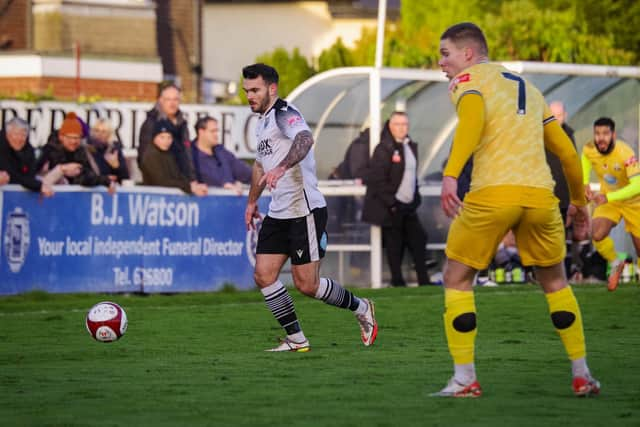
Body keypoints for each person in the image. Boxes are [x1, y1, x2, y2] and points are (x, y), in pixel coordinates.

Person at [435, 22, 598, 398]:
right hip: (541, 198)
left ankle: (464, 380)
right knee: (556, 283)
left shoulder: (467, 80)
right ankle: (582, 374)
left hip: (493, 193)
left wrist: (450, 174)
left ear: (468, 54)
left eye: (445, 54)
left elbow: (473, 118)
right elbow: (567, 154)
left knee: (457, 278)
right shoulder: (531, 89)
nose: (441, 62)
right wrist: (578, 202)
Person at [242, 63, 377, 352]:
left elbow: (305, 139)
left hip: (304, 210)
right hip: (279, 212)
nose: (249, 95)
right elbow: (258, 165)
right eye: (246, 91)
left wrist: (282, 166)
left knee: (307, 285)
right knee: (263, 275)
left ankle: (362, 307)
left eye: (255, 90)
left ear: (272, 88)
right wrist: (252, 201)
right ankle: (297, 339)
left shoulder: (285, 113)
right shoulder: (262, 122)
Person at [362, 112, 430, 287]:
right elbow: (377, 179)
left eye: (405, 124)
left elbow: (411, 177)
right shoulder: (384, 148)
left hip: (409, 205)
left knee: (419, 239)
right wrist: (392, 203)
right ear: (391, 126)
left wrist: (416, 198)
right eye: (398, 124)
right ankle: (397, 281)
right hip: (392, 206)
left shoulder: (410, 146)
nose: (402, 128)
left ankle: (424, 280)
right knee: (395, 244)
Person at [580, 117, 640, 291]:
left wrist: (609, 198)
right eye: (597, 133)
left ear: (613, 135)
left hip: (634, 202)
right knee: (596, 233)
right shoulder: (590, 148)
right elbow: (585, 158)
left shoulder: (625, 153)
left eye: (605, 133)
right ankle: (615, 263)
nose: (601, 138)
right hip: (609, 201)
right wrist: (584, 183)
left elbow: (637, 185)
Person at [36, 112, 116, 193]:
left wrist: (105, 181)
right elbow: (33, 175)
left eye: (77, 138)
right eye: (70, 138)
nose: (74, 141)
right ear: (61, 137)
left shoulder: (80, 151)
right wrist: (62, 170)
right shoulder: (49, 150)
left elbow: (85, 176)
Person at [138, 82, 196, 183]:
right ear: (160, 100)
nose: (172, 103)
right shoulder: (151, 123)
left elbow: (187, 153)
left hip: (182, 183)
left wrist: (191, 179)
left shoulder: (182, 124)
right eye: (168, 99)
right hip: (159, 185)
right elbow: (144, 157)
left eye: (175, 99)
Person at [140, 120, 208, 196]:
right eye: (162, 137)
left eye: (169, 137)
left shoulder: (169, 154)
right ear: (154, 138)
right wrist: (188, 187)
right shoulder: (151, 155)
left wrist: (191, 183)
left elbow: (177, 175)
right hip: (154, 200)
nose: (166, 141)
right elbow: (161, 181)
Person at [191, 116, 251, 193]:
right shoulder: (190, 155)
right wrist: (223, 187)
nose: (216, 135)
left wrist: (264, 176)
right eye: (213, 131)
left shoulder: (222, 152)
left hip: (230, 202)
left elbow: (246, 173)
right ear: (201, 132)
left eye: (217, 131)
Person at [0, 117, 53, 196]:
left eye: (23, 135)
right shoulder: (2, 146)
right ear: (7, 134)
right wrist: (38, 186)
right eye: (16, 134)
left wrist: (39, 185)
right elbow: (11, 174)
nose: (19, 139)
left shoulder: (28, 150)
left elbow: (30, 174)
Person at [87, 118, 130, 183]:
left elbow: (125, 177)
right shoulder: (86, 149)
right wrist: (104, 179)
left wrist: (117, 166)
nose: (99, 134)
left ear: (109, 134)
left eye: (103, 131)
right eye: (97, 130)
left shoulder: (114, 149)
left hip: (110, 190)